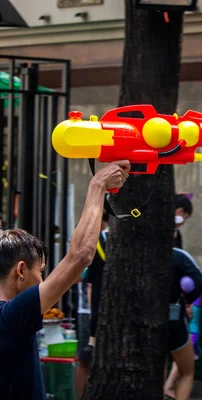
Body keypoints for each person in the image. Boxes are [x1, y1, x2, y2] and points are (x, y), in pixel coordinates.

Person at [0, 160, 129, 400]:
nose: (43, 279)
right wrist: (98, 185)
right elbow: (80, 255)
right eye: (40, 272)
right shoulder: (11, 316)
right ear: (20, 271)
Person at [164, 246, 202, 400]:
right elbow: (200, 282)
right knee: (187, 372)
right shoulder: (177, 256)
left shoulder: (130, 253)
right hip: (172, 319)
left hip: (138, 318)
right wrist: (188, 301)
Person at [75, 211, 109, 397]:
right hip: (91, 308)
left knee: (85, 358)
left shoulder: (100, 242)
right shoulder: (96, 242)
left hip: (89, 309)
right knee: (86, 358)